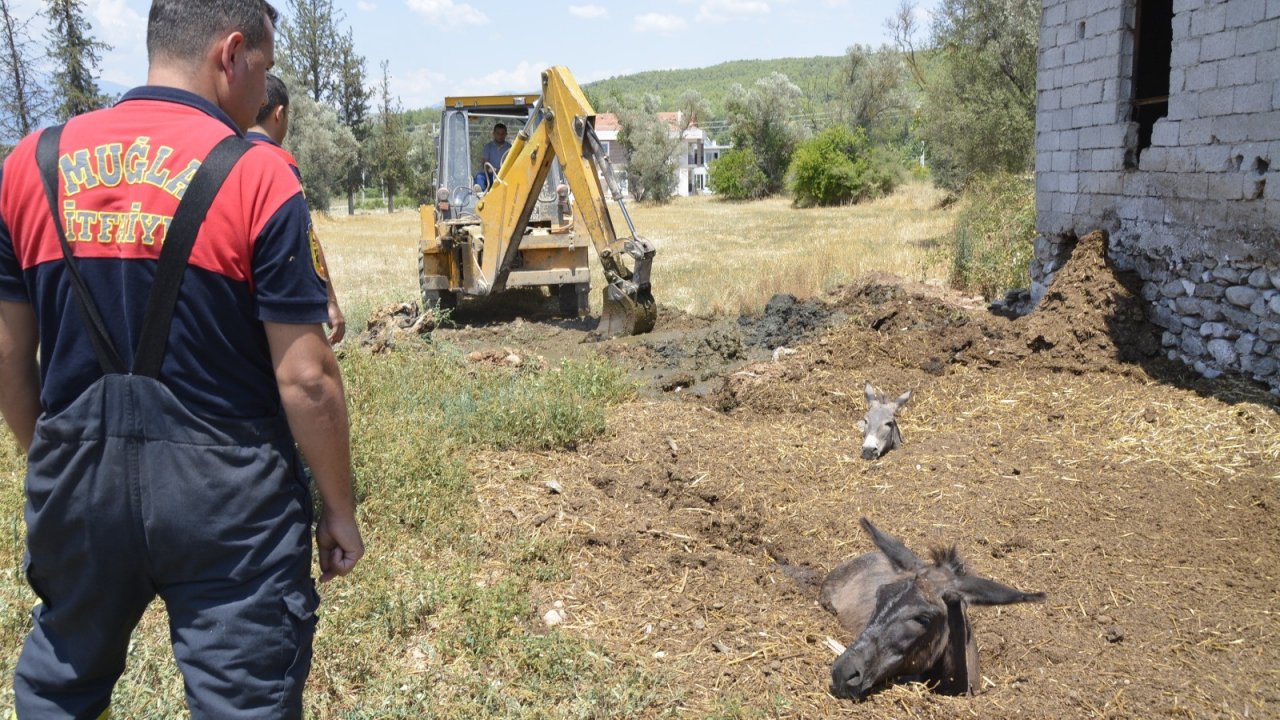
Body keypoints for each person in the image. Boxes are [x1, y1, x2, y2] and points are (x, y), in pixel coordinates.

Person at [0, 0, 363, 716]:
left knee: (58, 689)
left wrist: (49, 456)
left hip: (76, 487)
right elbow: (307, 376)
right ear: (232, 54)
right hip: (229, 502)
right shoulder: (259, 174)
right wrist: (341, 508)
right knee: (243, 703)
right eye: (262, 68)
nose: (263, 92)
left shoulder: (30, 163)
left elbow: (8, 351)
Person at [247, 72, 346, 344]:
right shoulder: (280, 162)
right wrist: (330, 301)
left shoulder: (224, 152)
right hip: (275, 301)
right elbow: (306, 237)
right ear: (279, 114)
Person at [477, 121, 510, 190]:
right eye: (498, 133)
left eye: (502, 134)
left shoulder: (510, 148)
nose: (500, 136)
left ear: (506, 134)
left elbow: (511, 162)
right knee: (479, 176)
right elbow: (484, 163)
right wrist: (490, 169)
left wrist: (501, 171)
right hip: (491, 175)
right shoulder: (488, 147)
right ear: (494, 134)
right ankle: (481, 194)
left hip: (505, 175)